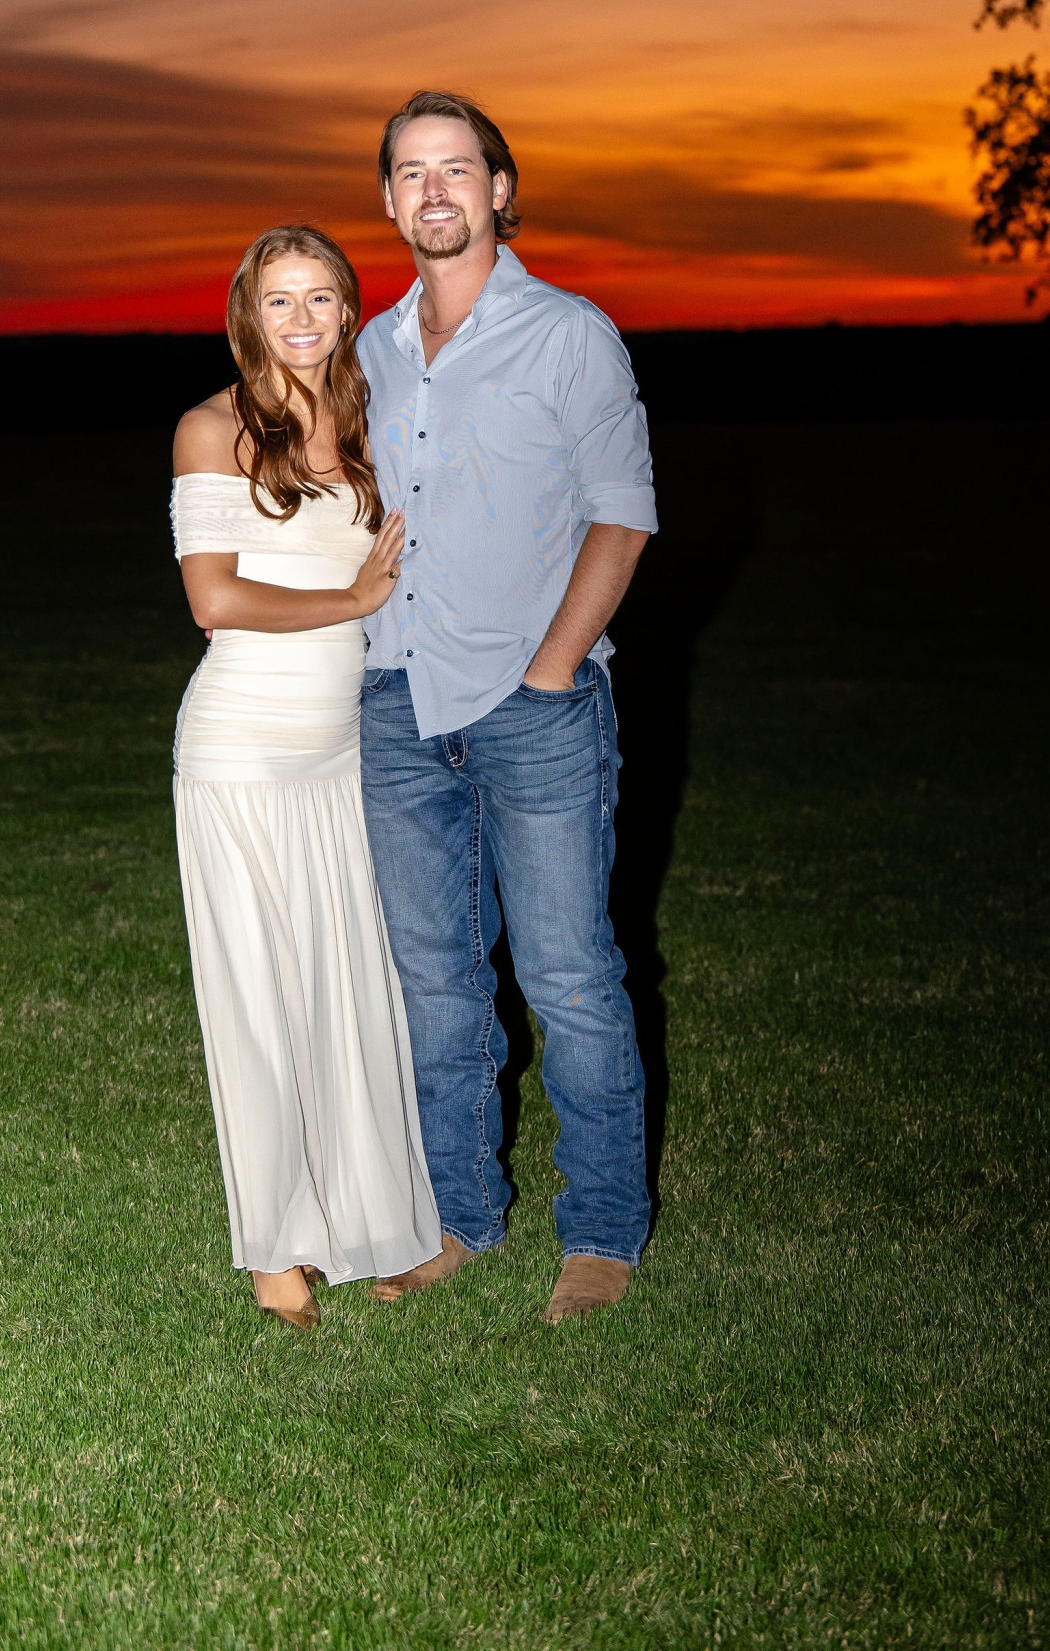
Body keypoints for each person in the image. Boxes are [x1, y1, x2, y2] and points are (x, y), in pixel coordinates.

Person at [358, 91, 657, 1325]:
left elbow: (622, 510)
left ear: (499, 191)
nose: (435, 191)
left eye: (457, 170)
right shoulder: (370, 345)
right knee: (433, 981)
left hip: (533, 707)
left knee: (569, 974)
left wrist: (550, 669)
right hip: (393, 699)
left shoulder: (568, 333)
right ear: (386, 201)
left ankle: (600, 1233)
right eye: (411, 173)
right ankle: (458, 1217)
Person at [170, 224, 440, 1330]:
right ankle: (274, 1248)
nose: (298, 319)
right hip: (240, 744)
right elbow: (214, 601)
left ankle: (366, 1214)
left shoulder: (372, 417)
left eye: (318, 298)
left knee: (343, 988)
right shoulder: (211, 427)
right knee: (256, 996)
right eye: (277, 300)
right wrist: (350, 604)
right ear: (249, 312)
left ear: (344, 308)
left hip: (340, 747)